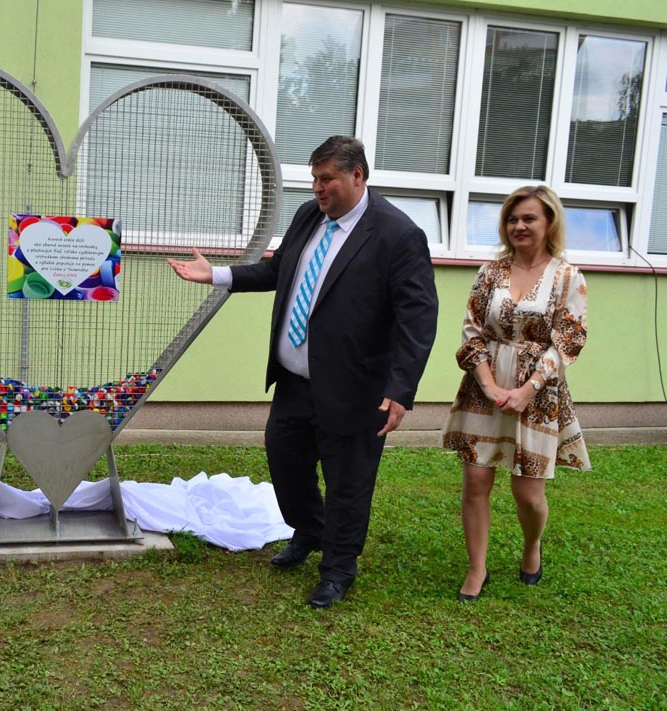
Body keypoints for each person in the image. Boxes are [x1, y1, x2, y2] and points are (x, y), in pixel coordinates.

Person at [168, 136, 438, 608]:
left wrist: (401, 388)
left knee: (347, 483)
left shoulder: (398, 235)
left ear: (357, 176)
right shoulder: (310, 216)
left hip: (357, 389)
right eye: (314, 178)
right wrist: (218, 275)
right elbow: (280, 272)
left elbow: (418, 317)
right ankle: (311, 530)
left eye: (327, 179)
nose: (318, 188)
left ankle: (338, 569)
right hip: (296, 381)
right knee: (286, 462)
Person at [443, 185, 590, 602]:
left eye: (528, 218)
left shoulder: (567, 277)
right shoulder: (491, 272)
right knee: (475, 481)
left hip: (537, 394)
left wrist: (527, 389)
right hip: (483, 388)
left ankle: (531, 546)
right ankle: (477, 568)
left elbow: (568, 341)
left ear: (549, 222)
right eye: (512, 219)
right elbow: (472, 331)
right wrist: (488, 385)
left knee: (528, 493)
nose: (519, 226)